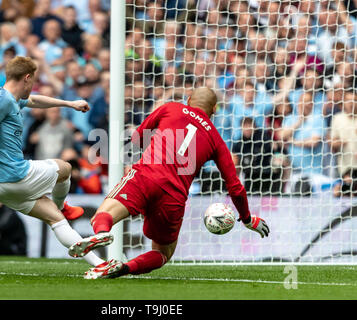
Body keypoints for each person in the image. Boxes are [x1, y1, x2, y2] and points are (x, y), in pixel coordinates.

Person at [69, 87, 270, 279]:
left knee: (103, 216)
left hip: (145, 176)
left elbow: (138, 138)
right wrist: (246, 219)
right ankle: (124, 267)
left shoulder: (171, 107)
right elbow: (235, 186)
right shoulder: (216, 140)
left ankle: (103, 233)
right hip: (174, 195)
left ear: (189, 101)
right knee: (163, 252)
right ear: (214, 110)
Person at [0, 56, 104, 267]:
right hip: (15, 176)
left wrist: (69, 103)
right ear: (26, 78)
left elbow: (34, 100)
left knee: (55, 220)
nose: (33, 85)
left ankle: (100, 264)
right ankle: (63, 206)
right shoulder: (1, 101)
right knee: (65, 168)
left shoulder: (10, 98)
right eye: (33, 80)